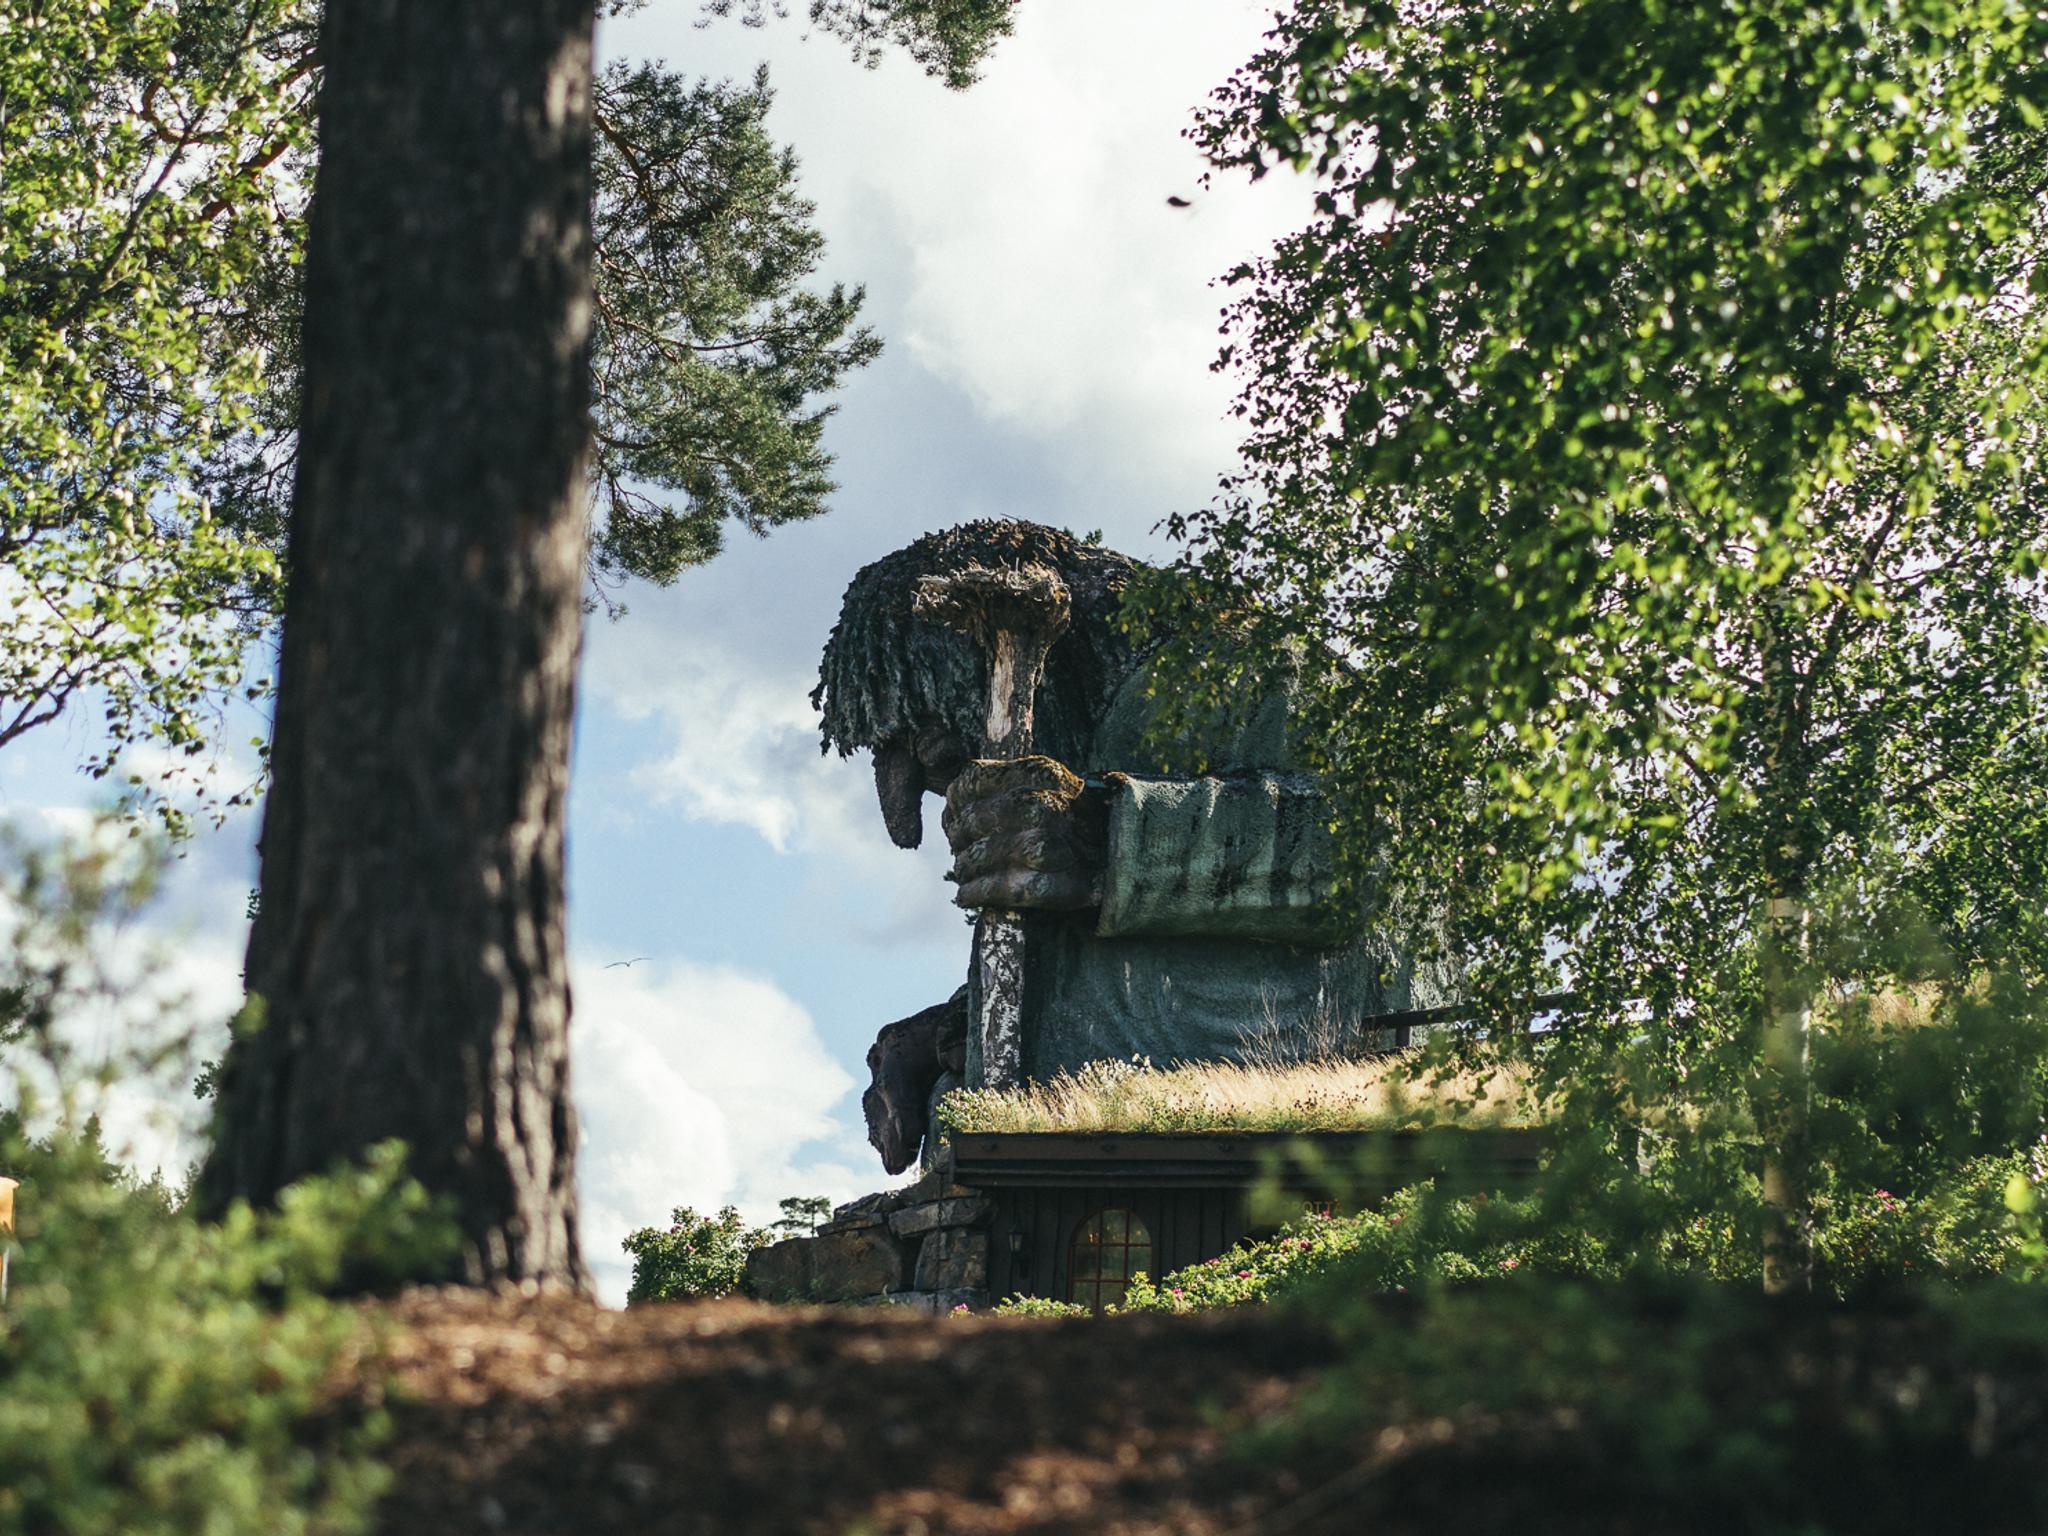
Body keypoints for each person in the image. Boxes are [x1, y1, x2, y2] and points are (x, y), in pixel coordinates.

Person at [815, 521, 1453, 1171]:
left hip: (1243, 1148)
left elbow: (1365, 849)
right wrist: (952, 1032)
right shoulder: (1093, 727)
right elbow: (1093, 975)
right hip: (1052, 1158)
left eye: (953, 756)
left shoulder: (1241, 671)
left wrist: (1105, 837)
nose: (961, 798)